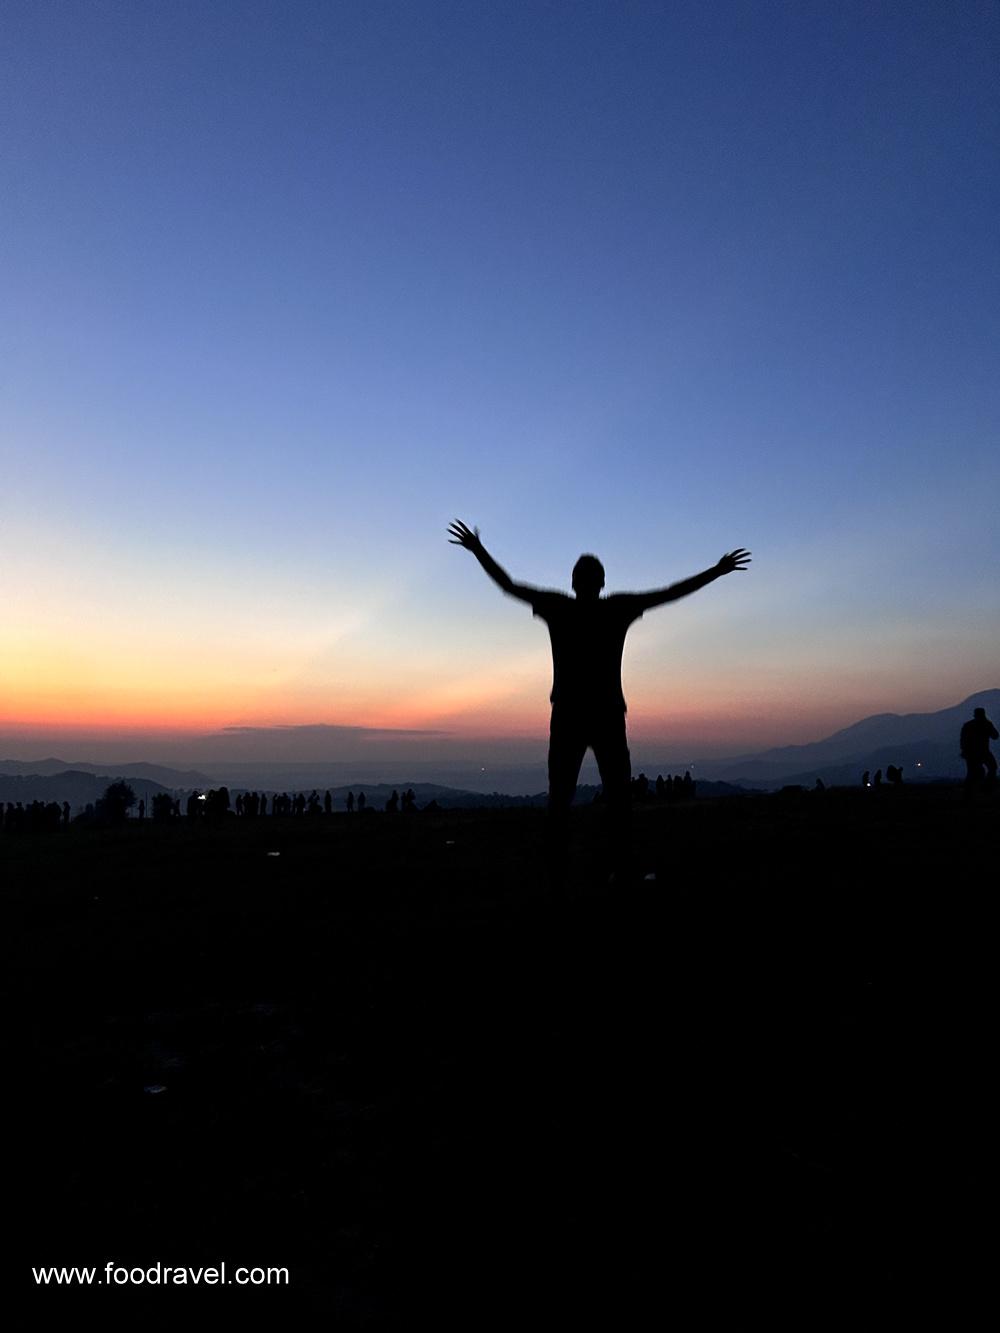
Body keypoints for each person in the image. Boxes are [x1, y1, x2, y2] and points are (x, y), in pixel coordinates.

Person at [448, 519, 750, 874]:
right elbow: (670, 592)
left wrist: (478, 550)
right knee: (614, 797)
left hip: (571, 715)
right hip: (603, 714)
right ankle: (615, 864)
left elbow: (509, 586)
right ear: (601, 582)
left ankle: (561, 866)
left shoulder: (561, 607)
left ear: (574, 582)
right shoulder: (614, 608)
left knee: (564, 796)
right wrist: (716, 571)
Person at [960, 706, 998, 795]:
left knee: (973, 772)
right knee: (991, 768)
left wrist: (964, 751)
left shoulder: (968, 725)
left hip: (971, 753)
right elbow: (995, 736)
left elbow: (963, 740)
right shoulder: (987, 724)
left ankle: (969, 791)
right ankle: (985, 788)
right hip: (983, 751)